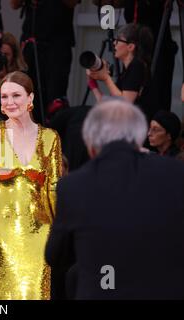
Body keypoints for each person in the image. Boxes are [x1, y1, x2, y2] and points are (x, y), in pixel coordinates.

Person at [45, 98, 184, 299]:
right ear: (138, 138)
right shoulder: (176, 173)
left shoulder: (73, 185)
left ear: (90, 141)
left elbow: (55, 256)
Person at [0, 71, 62, 300]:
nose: (9, 102)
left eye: (16, 95)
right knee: (0, 295)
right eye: (4, 97)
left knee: (36, 292)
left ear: (30, 98)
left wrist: (62, 229)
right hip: (1, 230)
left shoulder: (50, 137)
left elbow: (54, 188)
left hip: (40, 230)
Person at [11, 0, 79, 123]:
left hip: (57, 43)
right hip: (31, 41)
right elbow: (14, 5)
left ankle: (52, 137)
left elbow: (72, 3)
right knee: (27, 93)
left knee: (55, 99)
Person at [87, 23, 154, 118]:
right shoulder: (127, 70)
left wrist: (106, 78)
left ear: (130, 47)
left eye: (118, 40)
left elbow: (125, 103)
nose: (114, 43)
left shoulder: (137, 66)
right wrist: (92, 82)